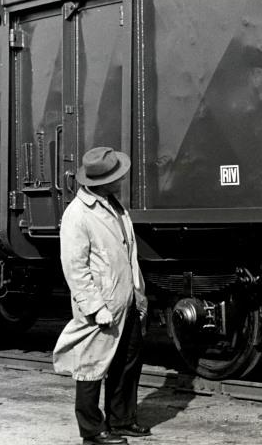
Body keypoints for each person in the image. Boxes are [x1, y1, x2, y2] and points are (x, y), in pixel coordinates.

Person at [53, 147, 150, 445]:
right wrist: (96, 308)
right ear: (101, 182)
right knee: (90, 366)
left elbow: (128, 253)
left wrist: (139, 292)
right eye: (116, 176)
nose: (121, 179)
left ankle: (121, 420)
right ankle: (92, 431)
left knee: (128, 361)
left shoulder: (113, 205)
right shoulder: (78, 214)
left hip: (127, 300)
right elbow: (75, 268)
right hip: (103, 306)